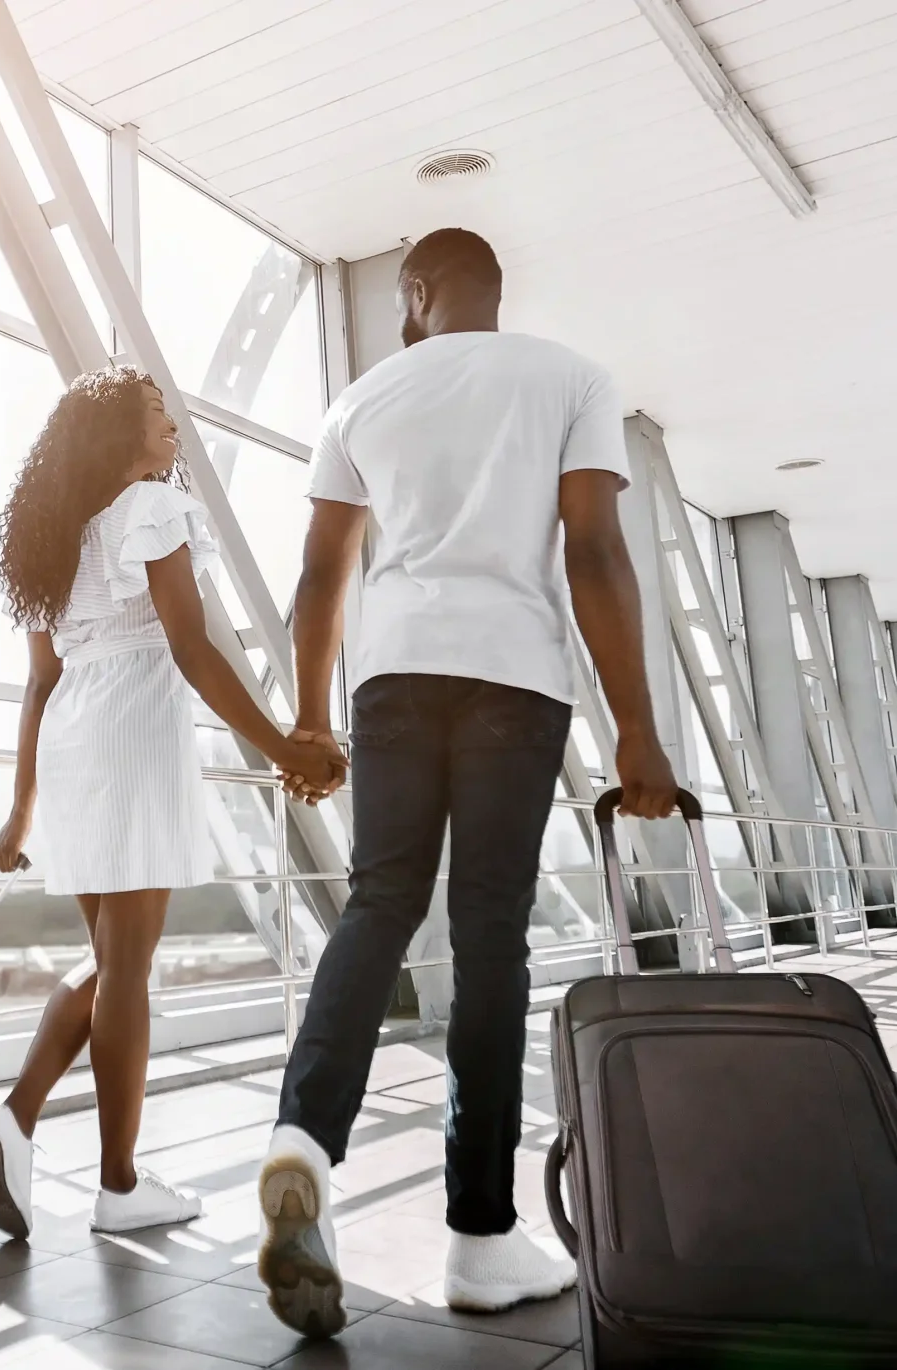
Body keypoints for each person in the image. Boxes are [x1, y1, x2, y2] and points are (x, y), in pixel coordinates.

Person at [253, 228, 680, 1336]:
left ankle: (302, 1135)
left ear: (415, 291)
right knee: (491, 932)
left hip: (392, 675)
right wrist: (637, 732)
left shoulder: (361, 399)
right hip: (512, 675)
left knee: (380, 899)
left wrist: (308, 716)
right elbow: (592, 553)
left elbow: (318, 574)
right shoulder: (571, 379)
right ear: (493, 290)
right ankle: (481, 1238)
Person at [0, 367, 347, 1238]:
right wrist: (284, 743)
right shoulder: (147, 507)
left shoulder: (51, 542)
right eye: (154, 414)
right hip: (133, 731)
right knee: (127, 968)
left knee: (111, 961)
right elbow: (192, 647)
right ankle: (119, 1185)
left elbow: (38, 684)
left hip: (73, 739)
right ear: (116, 437)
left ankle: (16, 1117)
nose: (171, 426)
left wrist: (23, 809)